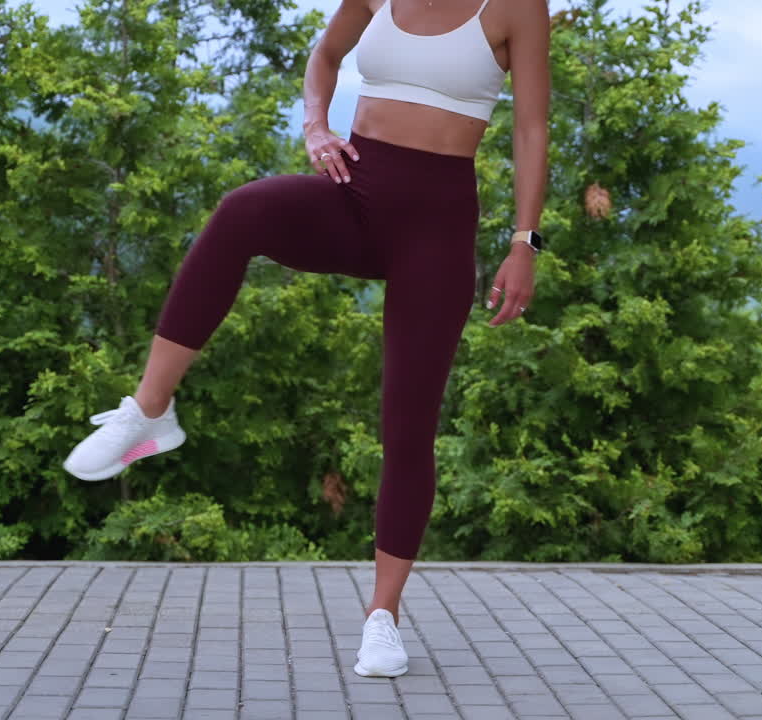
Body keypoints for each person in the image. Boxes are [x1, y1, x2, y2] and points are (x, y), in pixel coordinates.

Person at [63, 0, 550, 678]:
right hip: (356, 194)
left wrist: (524, 241)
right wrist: (316, 125)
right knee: (240, 214)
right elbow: (325, 56)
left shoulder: (517, 6)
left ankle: (383, 617)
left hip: (436, 231)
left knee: (408, 429)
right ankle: (150, 410)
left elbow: (531, 126)